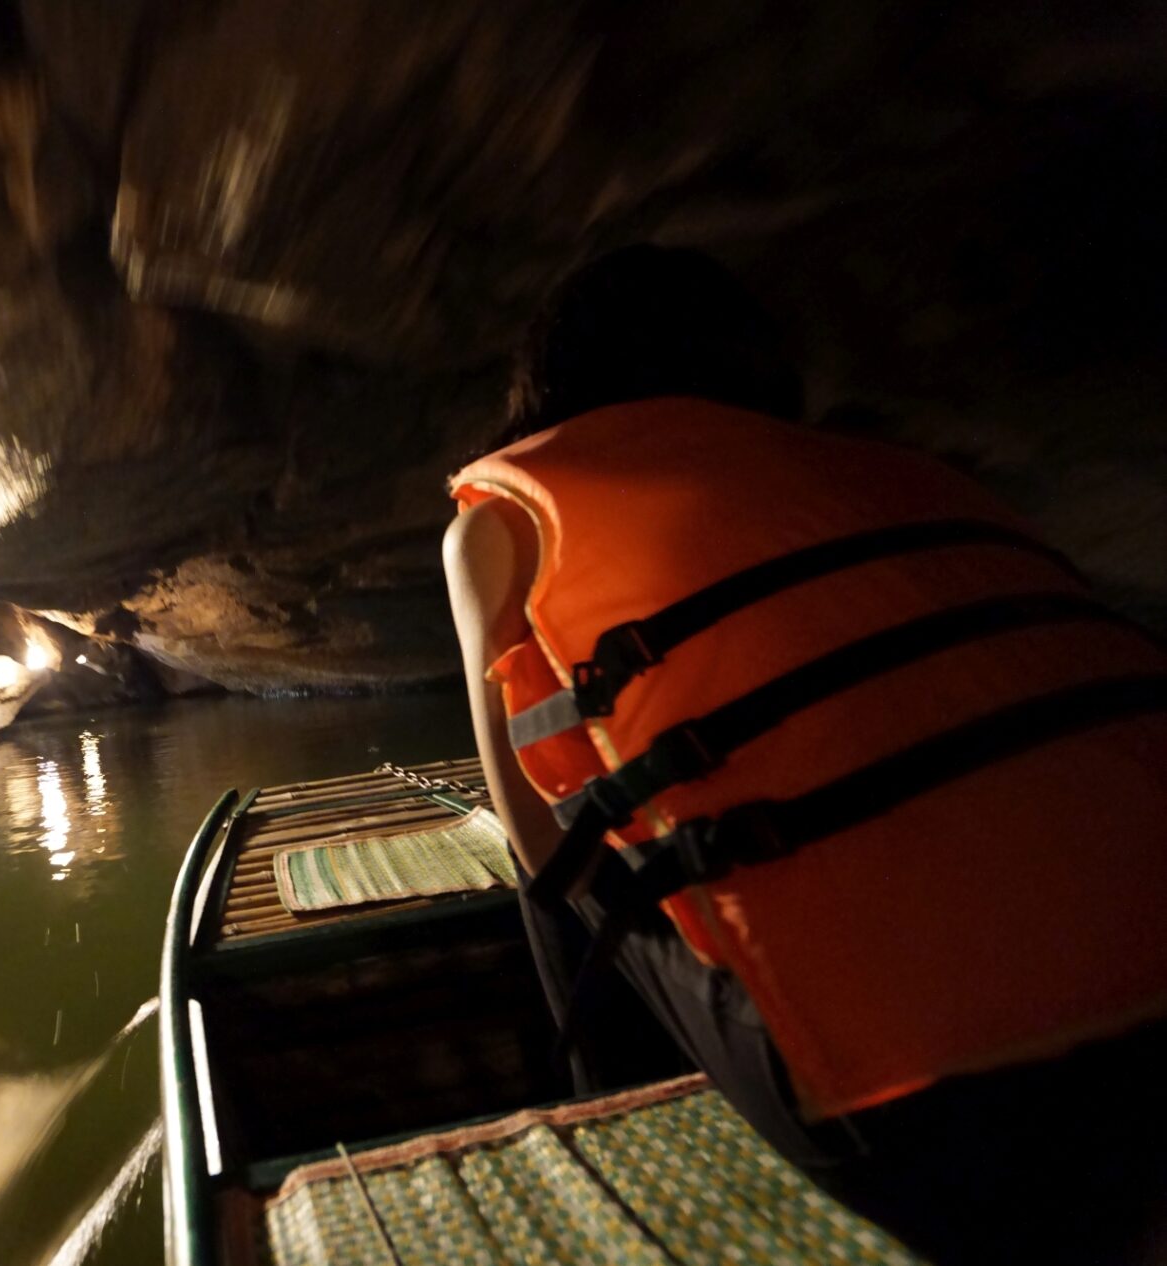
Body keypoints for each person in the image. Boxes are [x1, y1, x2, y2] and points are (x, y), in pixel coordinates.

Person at [442, 244, 1167, 1265]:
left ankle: (621, 1165)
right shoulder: (904, 471)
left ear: (547, 376)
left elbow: (535, 842)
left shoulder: (504, 520)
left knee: (559, 868)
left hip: (938, 1114)